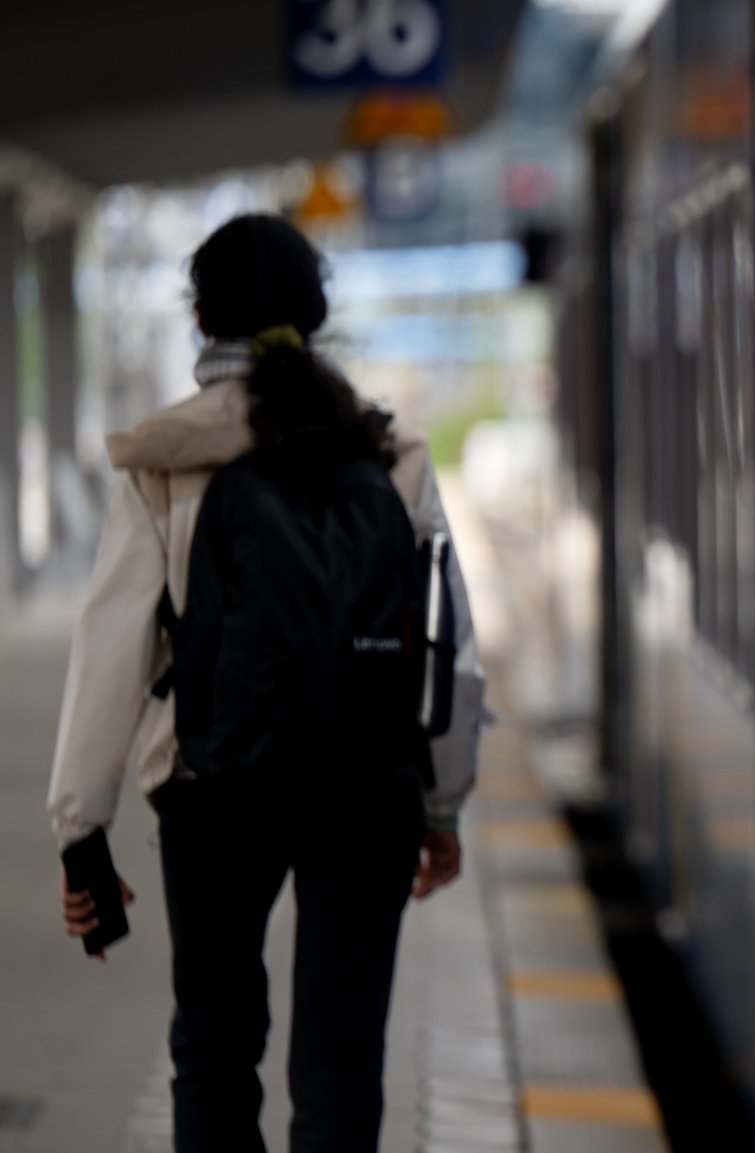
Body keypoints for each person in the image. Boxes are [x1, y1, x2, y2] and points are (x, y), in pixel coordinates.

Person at [46, 213, 487, 1153]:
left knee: (212, 1051)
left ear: (202, 317)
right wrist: (443, 806)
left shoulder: (162, 460)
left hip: (214, 792)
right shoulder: (388, 453)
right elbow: (451, 645)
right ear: (314, 313)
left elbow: (112, 644)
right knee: (339, 1073)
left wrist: (81, 833)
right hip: (367, 791)